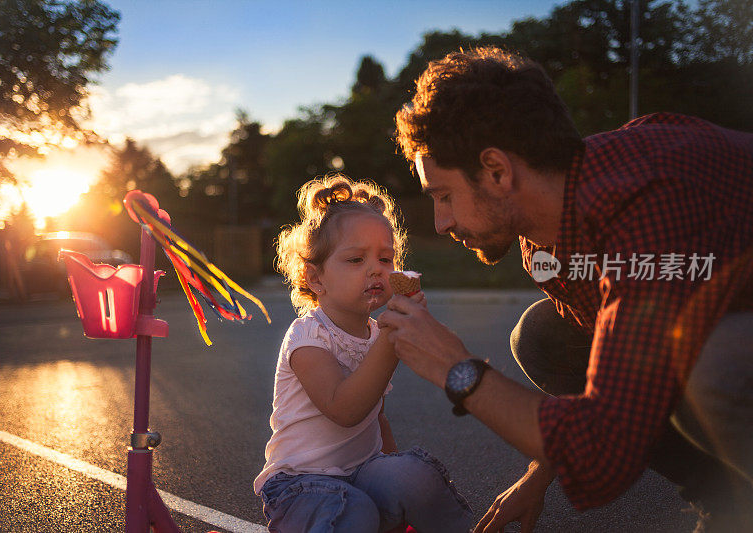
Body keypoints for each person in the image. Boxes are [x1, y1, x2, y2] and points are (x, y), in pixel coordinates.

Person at [379, 46, 753, 532]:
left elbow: (604, 458)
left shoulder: (646, 200)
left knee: (714, 365)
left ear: (497, 170)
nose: (442, 221)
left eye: (444, 195)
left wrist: (457, 369)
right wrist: (541, 472)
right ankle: (725, 496)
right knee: (542, 335)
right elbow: (611, 368)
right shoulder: (546, 236)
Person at [254, 175, 473, 532]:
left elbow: (376, 416)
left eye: (385, 259)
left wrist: (393, 472)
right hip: (299, 486)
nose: (376, 269)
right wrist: (390, 339)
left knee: (412, 475)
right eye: (356, 259)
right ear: (316, 278)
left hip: (360, 473)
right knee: (352, 509)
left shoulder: (374, 333)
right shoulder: (307, 337)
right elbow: (345, 409)